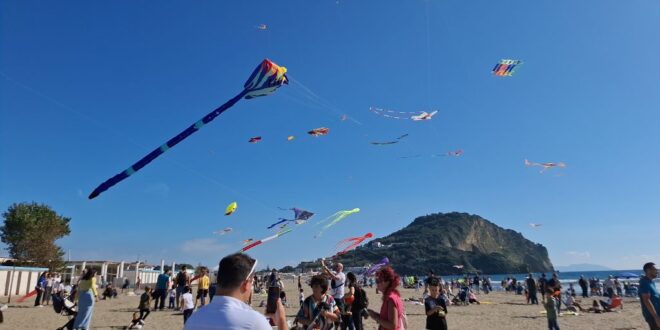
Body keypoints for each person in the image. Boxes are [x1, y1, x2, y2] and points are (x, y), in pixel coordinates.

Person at [184, 253, 288, 330]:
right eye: (251, 282)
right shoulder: (254, 322)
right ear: (246, 284)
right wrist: (281, 321)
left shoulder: (193, 320)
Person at [321, 259, 347, 329]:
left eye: (337, 266)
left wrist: (327, 269)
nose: (336, 267)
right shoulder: (335, 273)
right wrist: (323, 264)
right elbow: (326, 272)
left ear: (341, 268)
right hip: (333, 297)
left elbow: (334, 277)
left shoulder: (342, 275)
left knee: (339, 314)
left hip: (339, 297)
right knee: (332, 313)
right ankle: (335, 327)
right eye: (336, 266)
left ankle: (338, 327)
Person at [639, 262, 660, 330]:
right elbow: (647, 301)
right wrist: (656, 317)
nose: (657, 271)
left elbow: (654, 296)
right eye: (655, 269)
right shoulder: (644, 282)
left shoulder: (651, 281)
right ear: (648, 270)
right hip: (653, 316)